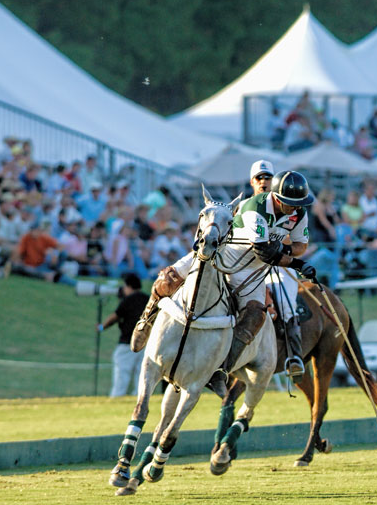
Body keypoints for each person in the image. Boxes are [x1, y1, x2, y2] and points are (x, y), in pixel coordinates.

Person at [130, 160, 316, 383]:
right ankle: (145, 320)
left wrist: (286, 250)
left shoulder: (298, 211)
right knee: (168, 278)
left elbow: (300, 246)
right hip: (225, 255)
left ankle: (224, 370)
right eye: (260, 178)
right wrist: (295, 262)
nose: (264, 182)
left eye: (267, 177)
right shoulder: (252, 206)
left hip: (255, 271)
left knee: (262, 313)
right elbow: (264, 250)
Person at [99, 273, 148, 397]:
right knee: (141, 375)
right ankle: (139, 399)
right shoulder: (147, 299)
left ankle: (117, 397)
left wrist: (101, 327)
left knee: (121, 374)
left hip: (127, 343)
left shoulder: (128, 300)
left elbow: (115, 317)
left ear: (128, 286)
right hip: (145, 343)